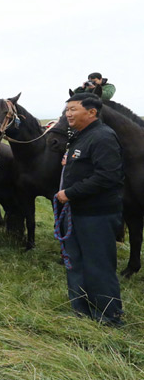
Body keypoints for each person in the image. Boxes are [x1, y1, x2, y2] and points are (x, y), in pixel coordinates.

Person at [55, 93, 124, 326]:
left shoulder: (102, 136)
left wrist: (69, 193)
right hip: (76, 213)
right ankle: (81, 311)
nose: (68, 114)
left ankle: (108, 317)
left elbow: (108, 176)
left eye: (73, 109)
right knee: (74, 263)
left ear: (91, 112)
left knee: (99, 266)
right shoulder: (81, 137)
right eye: (67, 110)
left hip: (96, 215)